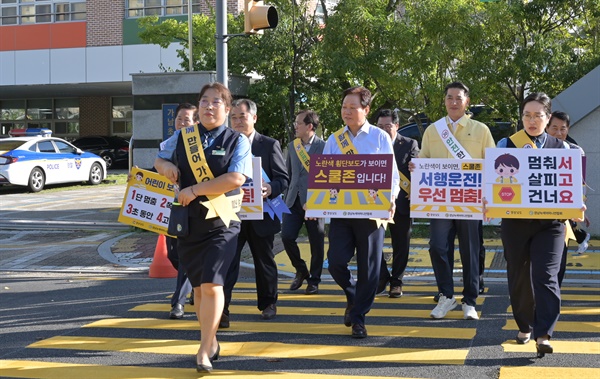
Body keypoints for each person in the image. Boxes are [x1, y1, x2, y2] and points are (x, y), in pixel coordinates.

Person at [154, 83, 252, 373]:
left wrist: (195, 189)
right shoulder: (183, 137)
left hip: (222, 221)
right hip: (190, 221)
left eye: (216, 102)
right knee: (198, 287)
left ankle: (203, 348)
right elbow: (160, 158)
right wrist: (164, 167)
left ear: (227, 108)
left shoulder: (237, 140)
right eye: (205, 101)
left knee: (213, 282)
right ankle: (211, 341)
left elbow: (235, 178)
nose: (209, 107)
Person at [494, 92, 584, 357]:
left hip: (551, 223)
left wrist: (578, 206)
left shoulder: (565, 148)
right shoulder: (506, 143)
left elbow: (574, 186)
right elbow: (493, 180)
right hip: (515, 222)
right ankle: (525, 324)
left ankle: (544, 333)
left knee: (545, 276)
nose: (531, 120)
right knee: (519, 276)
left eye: (538, 115)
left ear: (548, 117)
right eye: (526, 115)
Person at [322, 86, 400, 338]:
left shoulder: (379, 137)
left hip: (371, 212)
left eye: (352, 107)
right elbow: (325, 177)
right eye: (344, 107)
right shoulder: (334, 140)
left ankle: (359, 318)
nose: (346, 111)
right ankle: (352, 293)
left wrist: (392, 199)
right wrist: (317, 204)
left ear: (365, 110)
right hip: (342, 213)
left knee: (370, 268)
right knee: (335, 261)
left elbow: (392, 176)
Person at [417, 81, 495, 320]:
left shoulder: (481, 130)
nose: (453, 102)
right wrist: (415, 166)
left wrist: (489, 200)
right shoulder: (432, 130)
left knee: (471, 251)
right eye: (449, 97)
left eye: (458, 98)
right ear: (444, 101)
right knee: (438, 246)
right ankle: (446, 296)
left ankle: (469, 301)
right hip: (440, 202)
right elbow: (424, 161)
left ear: (466, 102)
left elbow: (492, 166)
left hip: (470, 202)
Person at [222, 98, 289, 327]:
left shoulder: (268, 144)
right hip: (232, 213)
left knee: (264, 260)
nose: (238, 121)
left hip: (262, 213)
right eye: (234, 117)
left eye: (242, 116)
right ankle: (222, 308)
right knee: (228, 261)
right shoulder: (224, 144)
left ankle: (268, 303)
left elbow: (283, 179)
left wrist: (271, 188)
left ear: (254, 117)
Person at [375, 109, 419, 298]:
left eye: (387, 126)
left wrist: (415, 169)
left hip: (401, 203)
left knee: (401, 245)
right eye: (380, 127)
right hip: (375, 203)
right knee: (372, 244)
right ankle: (382, 276)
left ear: (397, 126)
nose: (384, 130)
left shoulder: (409, 144)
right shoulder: (371, 144)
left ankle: (396, 281)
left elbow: (420, 169)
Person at [282, 110, 326, 295]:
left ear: (310, 126)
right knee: (286, 237)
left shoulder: (324, 146)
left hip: (314, 203)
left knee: (316, 242)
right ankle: (301, 270)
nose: (295, 126)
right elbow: (289, 173)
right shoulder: (293, 147)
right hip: (292, 200)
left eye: (298, 123)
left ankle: (314, 280)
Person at [165, 103, 197, 320]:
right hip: (171, 207)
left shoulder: (199, 146)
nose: (182, 123)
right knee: (173, 254)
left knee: (185, 256)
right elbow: (157, 169)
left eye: (187, 120)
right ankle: (196, 283)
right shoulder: (170, 144)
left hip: (192, 207)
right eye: (179, 119)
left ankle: (178, 302)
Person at [546, 111, 591, 255]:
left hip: (563, 214)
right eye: (554, 128)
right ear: (546, 128)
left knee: (558, 259)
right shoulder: (536, 151)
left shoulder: (575, 151)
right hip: (540, 213)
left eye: (563, 128)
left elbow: (581, 183)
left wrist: (581, 206)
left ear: (568, 129)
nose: (559, 133)